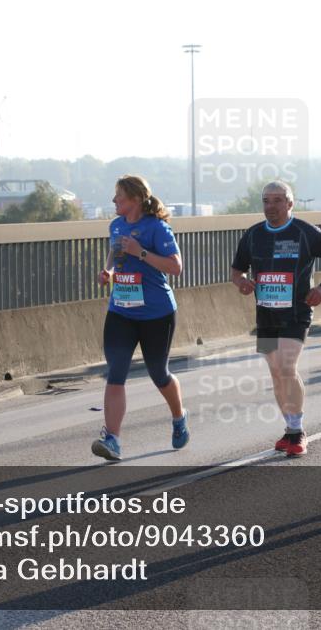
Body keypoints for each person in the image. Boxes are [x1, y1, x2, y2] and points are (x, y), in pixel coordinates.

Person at [232, 181, 321, 457]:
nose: (271, 206)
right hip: (266, 313)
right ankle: (290, 429)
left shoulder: (304, 232)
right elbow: (236, 270)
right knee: (276, 372)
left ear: (290, 203)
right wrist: (242, 282)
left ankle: (298, 430)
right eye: (266, 201)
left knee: (287, 367)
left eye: (278, 200)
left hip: (297, 312)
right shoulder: (254, 234)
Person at [92, 175, 186, 461]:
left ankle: (179, 417)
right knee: (115, 373)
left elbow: (175, 267)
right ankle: (113, 439)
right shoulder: (116, 225)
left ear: (134, 198)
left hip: (156, 313)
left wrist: (140, 252)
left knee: (159, 374)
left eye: (118, 196)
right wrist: (108, 271)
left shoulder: (157, 228)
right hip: (121, 310)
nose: (113, 201)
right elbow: (114, 251)